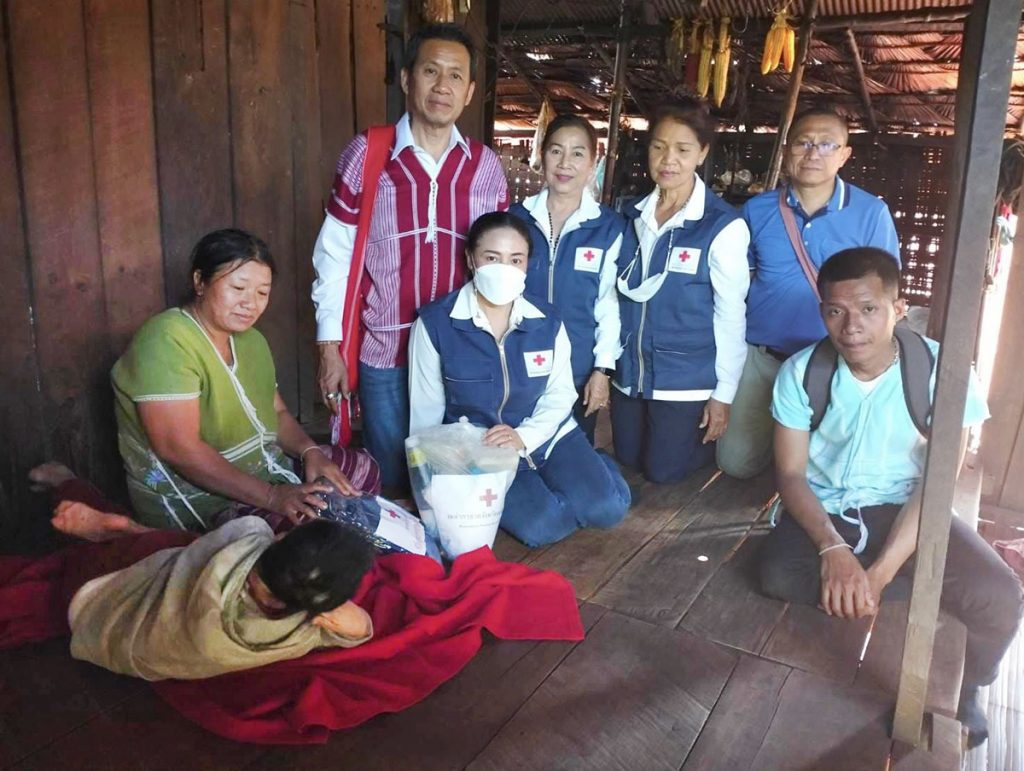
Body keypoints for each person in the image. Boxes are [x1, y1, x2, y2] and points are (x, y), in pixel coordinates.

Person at [758, 248, 1024, 749]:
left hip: (908, 507)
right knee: (774, 574)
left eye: (868, 308)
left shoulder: (942, 371)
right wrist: (833, 549)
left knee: (1001, 597)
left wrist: (878, 575)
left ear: (898, 308)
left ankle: (968, 687)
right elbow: (791, 476)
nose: (851, 326)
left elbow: (937, 484)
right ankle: (893, 586)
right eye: (835, 311)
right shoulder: (803, 371)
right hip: (829, 507)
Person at [312, 23, 509, 493]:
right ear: (406, 79)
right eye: (430, 71)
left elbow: (501, 263)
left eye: (456, 76)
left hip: (458, 352)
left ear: (470, 92)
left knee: (453, 478)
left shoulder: (485, 167)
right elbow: (334, 255)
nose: (442, 86)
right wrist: (329, 348)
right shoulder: (367, 154)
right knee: (394, 478)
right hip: (386, 350)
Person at [29, 462, 375, 681]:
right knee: (185, 549)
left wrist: (132, 532)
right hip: (118, 647)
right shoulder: (297, 634)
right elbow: (360, 627)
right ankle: (111, 521)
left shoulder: (247, 535)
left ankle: (91, 503)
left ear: (281, 538)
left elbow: (192, 552)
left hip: (99, 587)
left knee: (176, 545)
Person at [112, 229, 360, 532]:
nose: (250, 303)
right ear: (200, 281)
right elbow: (179, 449)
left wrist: (311, 452)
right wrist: (273, 496)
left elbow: (277, 413)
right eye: (238, 287)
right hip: (201, 497)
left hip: (264, 469)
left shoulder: (251, 341)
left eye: (262, 293)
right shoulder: (165, 341)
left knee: (358, 474)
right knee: (309, 532)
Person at [408, 212, 630, 547]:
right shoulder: (435, 324)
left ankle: (596, 467)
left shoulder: (547, 320)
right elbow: (425, 413)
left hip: (546, 434)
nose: (504, 269)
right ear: (470, 259)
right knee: (543, 529)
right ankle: (571, 488)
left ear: (527, 264)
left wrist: (524, 436)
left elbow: (560, 393)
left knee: (608, 510)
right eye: (491, 258)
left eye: (515, 260)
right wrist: (436, 476)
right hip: (484, 449)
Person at [717, 106, 900, 480]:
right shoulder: (758, 210)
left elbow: (884, 291)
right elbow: (738, 281)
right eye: (803, 142)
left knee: (822, 469)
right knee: (735, 464)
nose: (813, 153)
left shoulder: (870, 212)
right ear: (787, 149)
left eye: (827, 144)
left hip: (831, 359)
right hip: (764, 355)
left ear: (844, 154)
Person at [612, 101, 750, 484]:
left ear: (702, 153)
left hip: (685, 376)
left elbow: (731, 314)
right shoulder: (631, 215)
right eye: (658, 147)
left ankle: (705, 444)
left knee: (663, 472)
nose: (668, 159)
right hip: (631, 370)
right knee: (626, 456)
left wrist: (723, 394)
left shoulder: (721, 226)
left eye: (682, 149)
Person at [508, 115, 625, 444]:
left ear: (592, 164)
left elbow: (609, 304)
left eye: (577, 153)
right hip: (519, 366)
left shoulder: (608, 228)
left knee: (571, 456)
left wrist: (602, 369)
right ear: (542, 155)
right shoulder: (515, 220)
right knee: (514, 453)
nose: (565, 163)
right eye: (556, 151)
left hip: (578, 371)